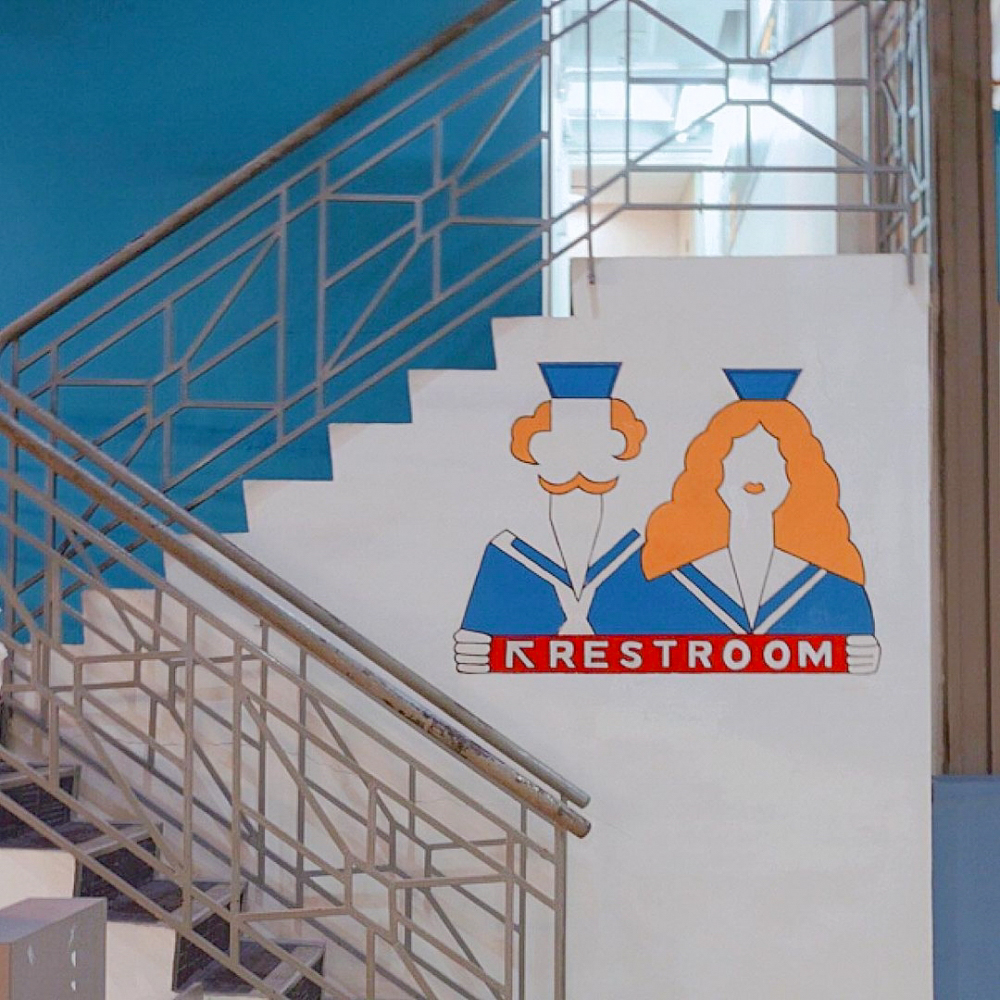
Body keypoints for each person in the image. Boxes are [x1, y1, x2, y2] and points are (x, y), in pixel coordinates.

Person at [590, 369, 880, 673]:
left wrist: (862, 659)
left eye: (774, 460)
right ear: (714, 469)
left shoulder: (832, 588)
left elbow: (855, 653)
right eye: (740, 457)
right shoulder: (662, 580)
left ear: (796, 474)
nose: (755, 473)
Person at [455, 362, 647, 671]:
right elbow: (479, 640)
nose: (579, 457)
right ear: (539, 448)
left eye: (593, 443)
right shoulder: (508, 553)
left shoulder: (636, 550)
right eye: (565, 442)